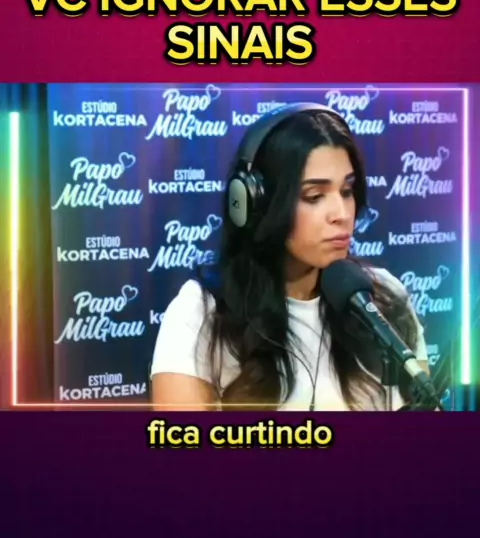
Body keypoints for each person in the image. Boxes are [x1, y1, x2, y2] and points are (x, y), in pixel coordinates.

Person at [150, 104, 430, 411]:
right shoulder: (201, 314)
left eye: (347, 191)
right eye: (314, 196)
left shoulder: (384, 298)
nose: (341, 213)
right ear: (256, 203)